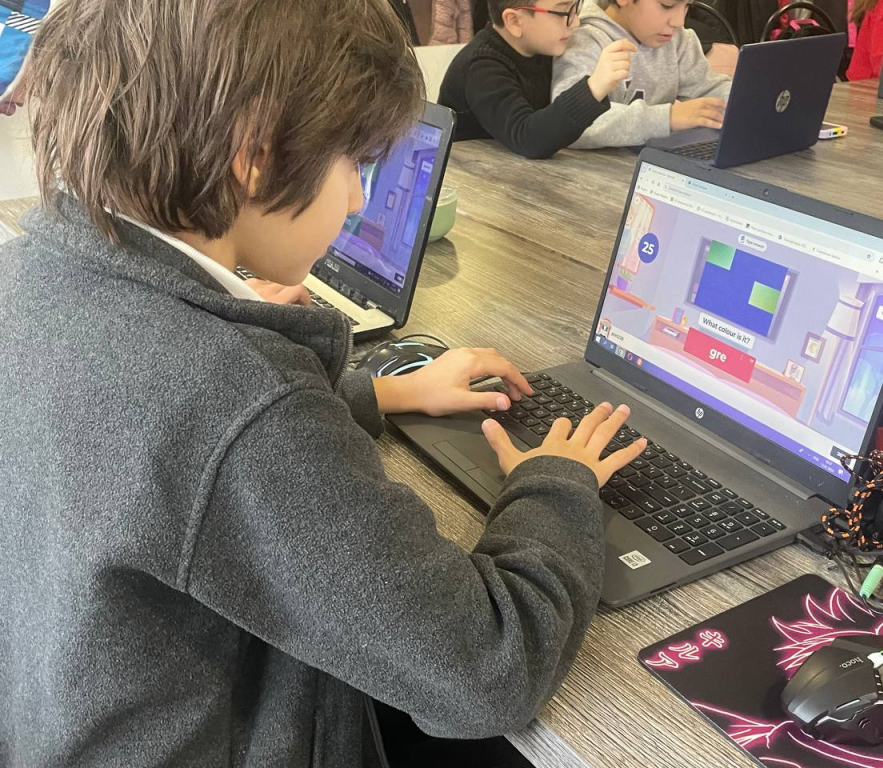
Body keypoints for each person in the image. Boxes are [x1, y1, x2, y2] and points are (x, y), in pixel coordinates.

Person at [0, 1, 647, 766]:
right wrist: (556, 483)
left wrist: (382, 392)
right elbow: (489, 669)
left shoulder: (37, 269)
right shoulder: (235, 398)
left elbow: (173, 462)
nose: (360, 200)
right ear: (256, 155)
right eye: (356, 164)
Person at [440, 0, 636, 158]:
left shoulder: (544, 48)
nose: (575, 22)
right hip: (468, 182)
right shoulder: (481, 68)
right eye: (562, 12)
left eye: (575, 7)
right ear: (515, 21)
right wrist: (593, 88)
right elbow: (527, 138)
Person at [551, 0, 731, 150]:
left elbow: (711, 89)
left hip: (651, 165)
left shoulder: (679, 40)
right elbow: (571, 126)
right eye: (667, 5)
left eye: (686, 6)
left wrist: (741, 99)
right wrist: (667, 118)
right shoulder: (584, 40)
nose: (679, 21)